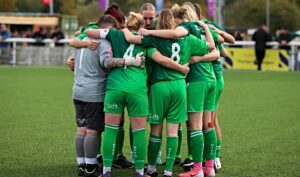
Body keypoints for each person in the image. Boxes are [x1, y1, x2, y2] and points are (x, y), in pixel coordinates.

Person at [87, 12, 189, 177]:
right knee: (139, 132)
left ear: (126, 24)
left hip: (115, 88)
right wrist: (182, 68)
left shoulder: (115, 33)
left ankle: (106, 171)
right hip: (137, 90)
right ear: (143, 26)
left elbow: (90, 33)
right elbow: (162, 59)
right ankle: (140, 172)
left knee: (111, 130)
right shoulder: (147, 42)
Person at [124, 9, 219, 177]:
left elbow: (132, 39)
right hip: (180, 86)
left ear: (159, 24)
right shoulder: (188, 39)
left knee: (155, 131)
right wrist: (205, 28)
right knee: (173, 131)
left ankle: (152, 167)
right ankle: (168, 170)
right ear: (174, 24)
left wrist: (123, 27)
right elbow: (212, 46)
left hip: (160, 86)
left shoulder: (153, 39)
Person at [70, 15, 144, 177]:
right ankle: (90, 167)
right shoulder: (102, 42)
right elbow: (106, 62)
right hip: (94, 93)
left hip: (77, 91)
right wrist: (128, 61)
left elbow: (73, 63)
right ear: (107, 29)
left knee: (81, 129)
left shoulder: (81, 40)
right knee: (92, 131)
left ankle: (81, 165)